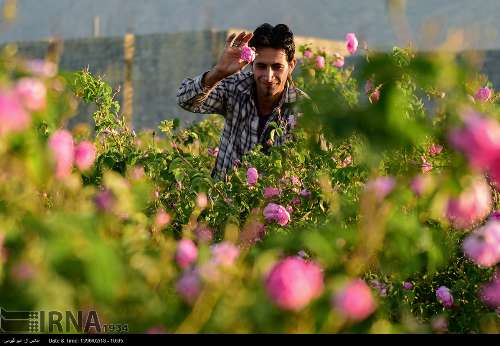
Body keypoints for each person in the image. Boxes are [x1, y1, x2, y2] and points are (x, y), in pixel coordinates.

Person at [176, 23, 307, 180]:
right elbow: (185, 100)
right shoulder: (236, 87)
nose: (269, 76)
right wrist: (218, 72)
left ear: (291, 66)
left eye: (277, 67)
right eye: (261, 66)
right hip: (223, 200)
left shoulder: (304, 109)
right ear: (251, 65)